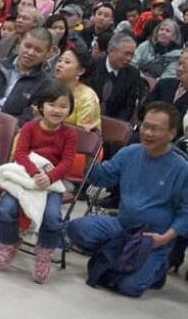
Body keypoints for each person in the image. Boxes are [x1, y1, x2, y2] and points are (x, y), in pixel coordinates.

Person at [66, 102, 188, 297]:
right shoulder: (130, 153)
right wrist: (92, 147)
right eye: (145, 126)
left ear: (172, 134)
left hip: (152, 238)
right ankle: (119, 255)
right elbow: (101, 177)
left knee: (129, 288)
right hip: (122, 225)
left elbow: (186, 213)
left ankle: (156, 269)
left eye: (155, 129)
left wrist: (164, 239)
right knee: (76, 229)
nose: (147, 133)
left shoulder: (182, 169)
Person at [0, 81, 80, 282]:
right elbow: (20, 153)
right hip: (25, 177)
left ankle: (44, 253)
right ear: (41, 106)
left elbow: (67, 163)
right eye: (51, 104)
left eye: (63, 106)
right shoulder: (30, 127)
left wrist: (49, 177)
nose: (57, 110)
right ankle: (10, 242)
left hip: (52, 182)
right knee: (6, 209)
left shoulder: (70, 134)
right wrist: (34, 172)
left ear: (70, 110)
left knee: (52, 218)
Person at [0, 27, 55, 123]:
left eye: (38, 50)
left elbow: (28, 117)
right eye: (27, 46)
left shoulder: (45, 84)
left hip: (9, 131)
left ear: (47, 53)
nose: (30, 53)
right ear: (20, 43)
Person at [85, 33, 144, 124]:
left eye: (132, 55)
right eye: (126, 54)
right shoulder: (91, 67)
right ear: (111, 50)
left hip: (114, 123)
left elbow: (128, 107)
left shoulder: (133, 74)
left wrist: (114, 125)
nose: (129, 59)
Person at [54, 44, 102, 132]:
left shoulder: (87, 97)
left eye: (67, 62)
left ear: (81, 71)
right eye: (60, 60)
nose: (60, 64)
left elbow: (80, 133)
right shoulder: (51, 87)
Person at [142, 49, 188, 124]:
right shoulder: (164, 84)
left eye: (184, 66)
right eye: (179, 64)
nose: (179, 69)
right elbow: (144, 109)